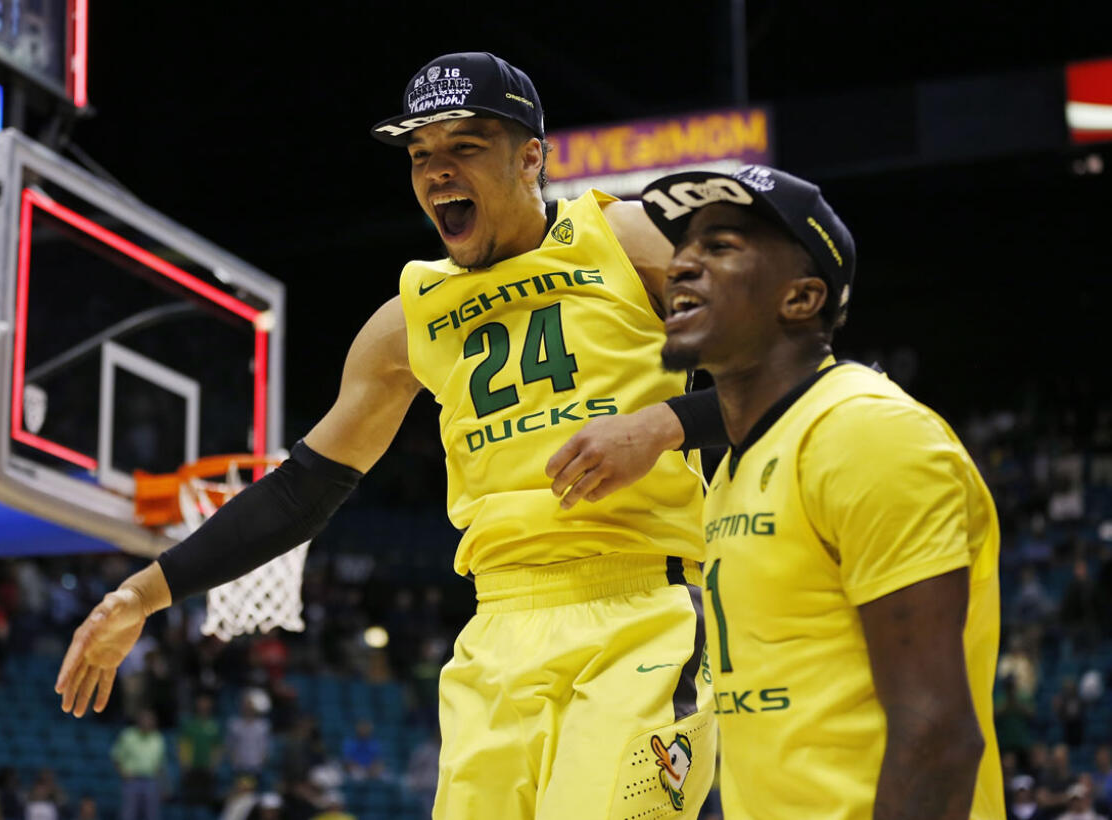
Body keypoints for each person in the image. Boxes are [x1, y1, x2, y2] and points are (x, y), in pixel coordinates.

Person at [55, 51, 719, 817]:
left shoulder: (628, 238)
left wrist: (661, 425)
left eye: (464, 147)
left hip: (640, 606)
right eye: (420, 155)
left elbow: (794, 368)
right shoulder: (407, 320)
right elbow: (302, 489)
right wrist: (142, 594)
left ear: (531, 155)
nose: (438, 171)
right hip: (497, 631)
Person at [546, 164, 1004, 819]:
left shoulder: (866, 433)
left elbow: (937, 734)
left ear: (801, 299)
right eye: (684, 248)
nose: (681, 267)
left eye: (721, 247)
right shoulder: (737, 469)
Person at [110, 709, 165, 820]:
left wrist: (163, 785)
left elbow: (160, 764)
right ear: (138, 721)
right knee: (129, 814)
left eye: (150, 720)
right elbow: (116, 756)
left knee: (152, 815)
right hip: (132, 780)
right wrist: (122, 773)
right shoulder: (128, 735)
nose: (147, 722)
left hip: (151, 781)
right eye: (144, 719)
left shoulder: (158, 738)